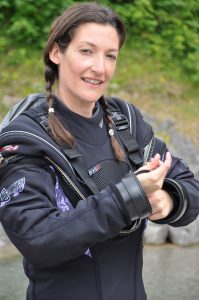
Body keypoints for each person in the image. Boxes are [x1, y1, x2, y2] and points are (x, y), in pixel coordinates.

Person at [0, 2, 198, 300]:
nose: (100, 68)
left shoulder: (126, 122)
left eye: (110, 56)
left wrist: (166, 200)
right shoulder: (27, 138)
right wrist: (129, 198)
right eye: (86, 51)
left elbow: (190, 187)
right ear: (56, 52)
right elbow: (37, 238)